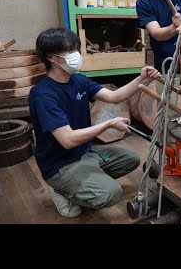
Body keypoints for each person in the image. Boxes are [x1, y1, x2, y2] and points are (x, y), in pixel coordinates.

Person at [29, 28, 161, 218]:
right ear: (52, 57)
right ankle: (62, 190)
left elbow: (114, 96)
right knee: (111, 193)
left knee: (131, 159)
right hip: (59, 165)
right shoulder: (43, 95)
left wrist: (141, 79)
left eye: (76, 48)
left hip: (83, 152)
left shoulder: (79, 81)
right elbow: (67, 140)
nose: (76, 55)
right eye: (69, 51)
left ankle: (85, 180)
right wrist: (108, 124)